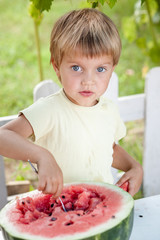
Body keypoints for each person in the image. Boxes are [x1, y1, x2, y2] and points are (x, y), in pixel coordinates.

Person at [0, 8, 143, 198]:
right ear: (57, 67)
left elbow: (108, 148)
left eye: (100, 69)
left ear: (112, 68)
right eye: (77, 68)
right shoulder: (50, 109)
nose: (88, 80)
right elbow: (4, 136)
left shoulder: (109, 110)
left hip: (99, 204)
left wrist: (134, 167)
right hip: (60, 209)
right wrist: (42, 156)